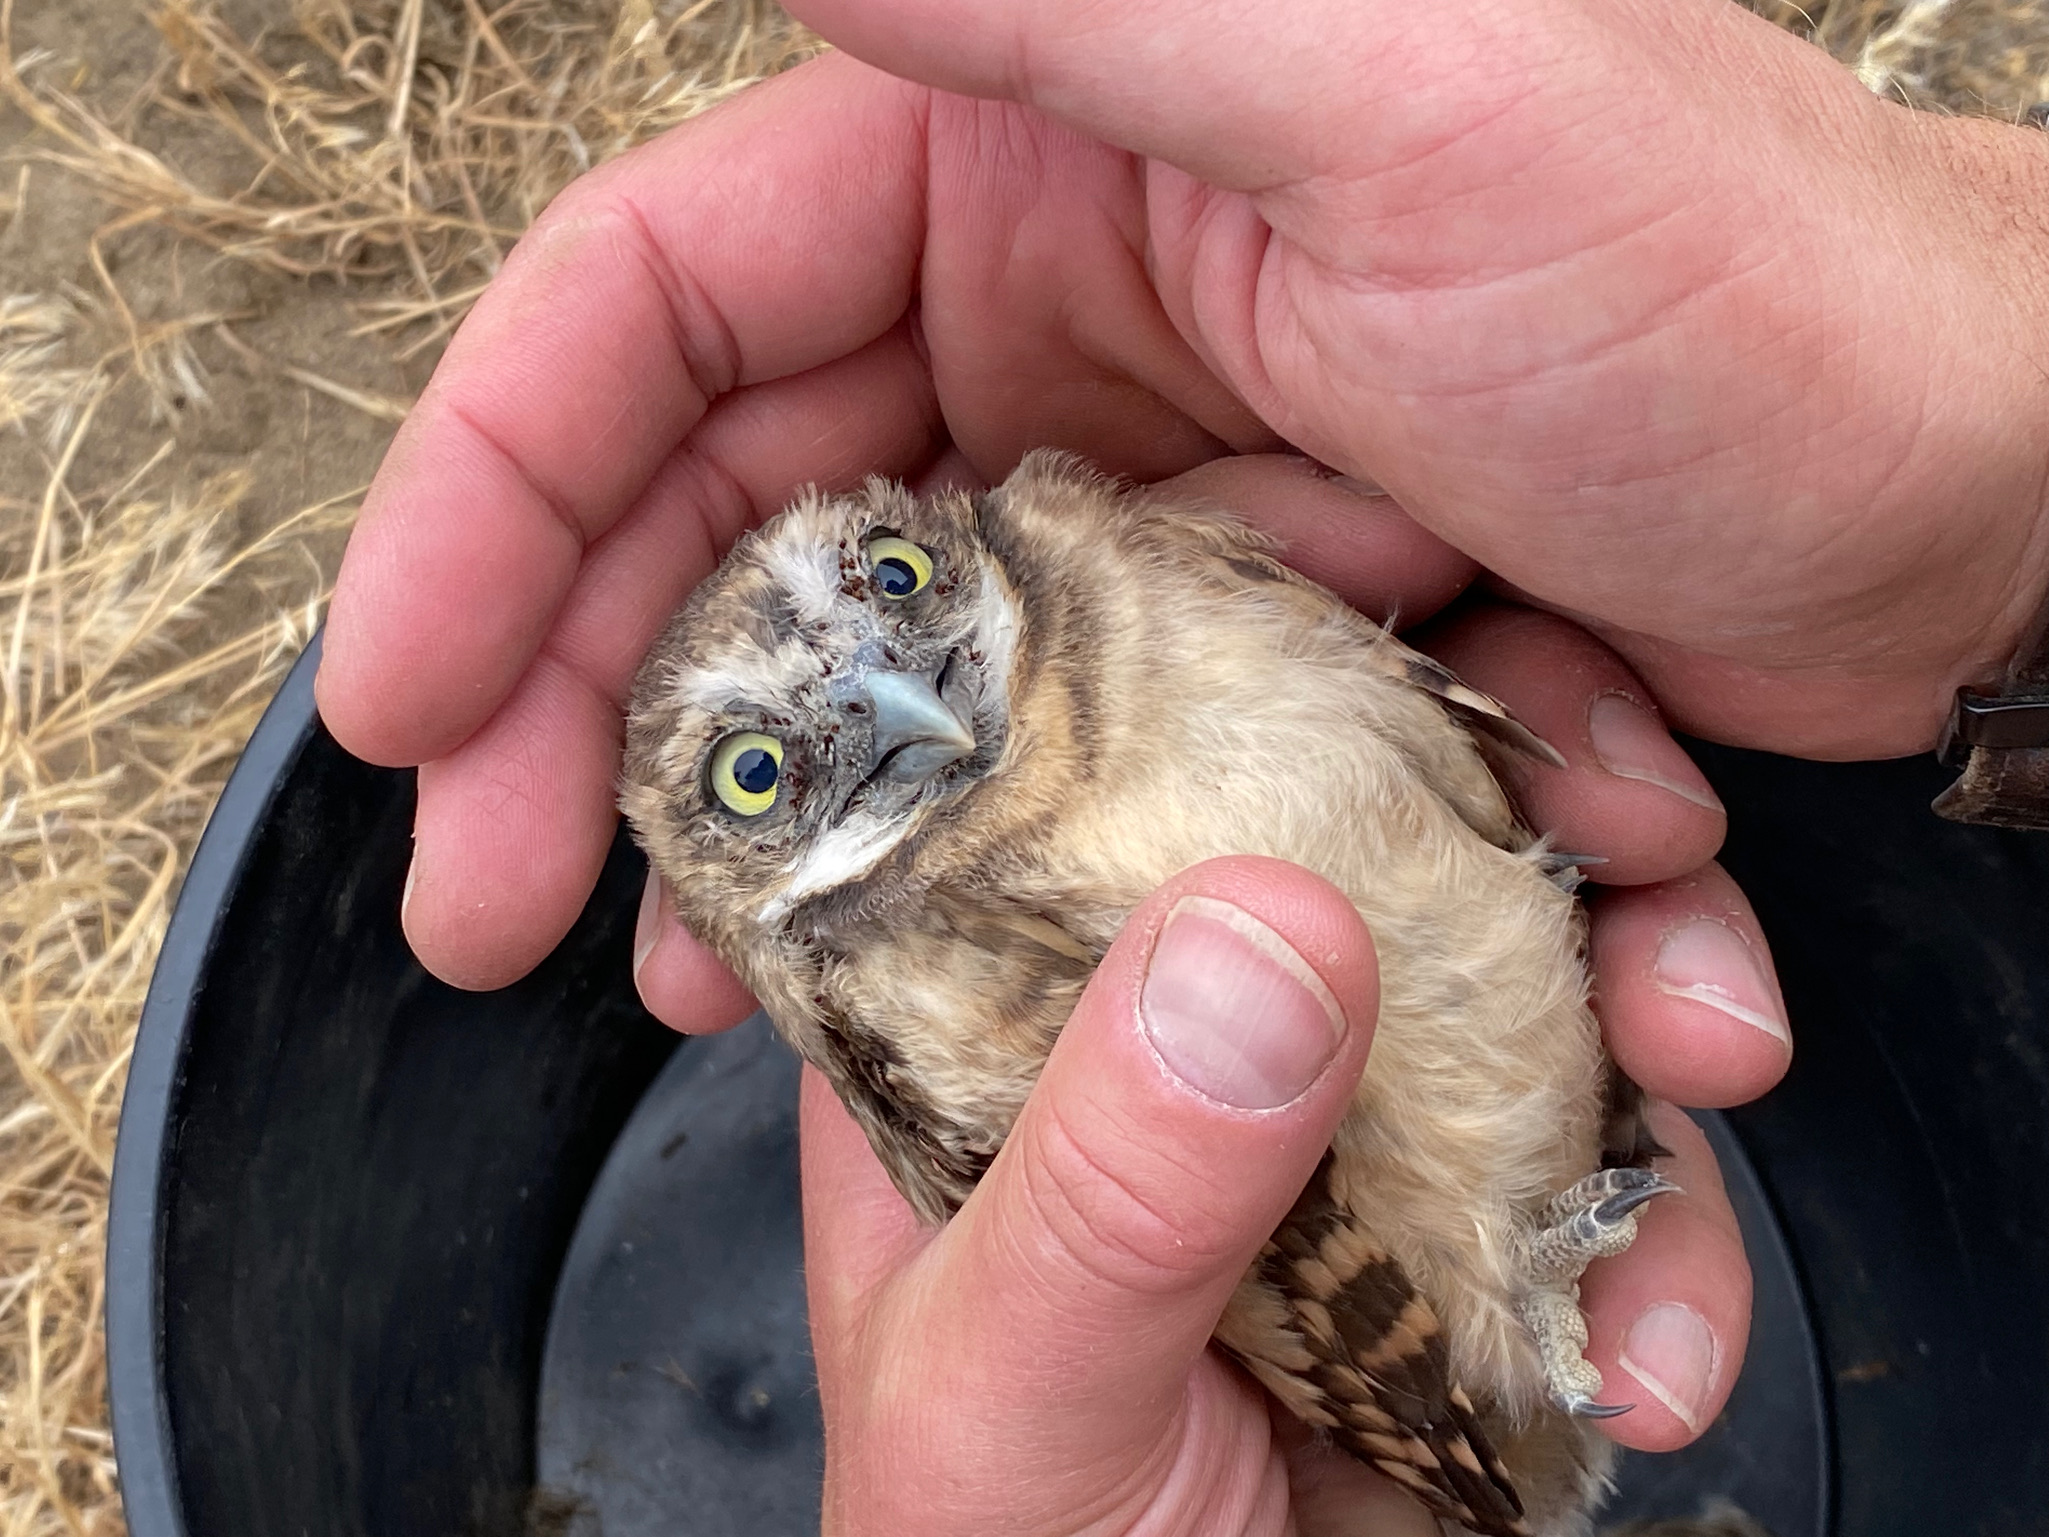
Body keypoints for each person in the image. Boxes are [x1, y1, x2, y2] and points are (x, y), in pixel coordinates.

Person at [314, 0, 2049, 1529]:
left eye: (890, 582)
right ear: (731, 872)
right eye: (762, 776)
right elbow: (1327, 1283)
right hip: (1464, 1247)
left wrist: (1998, 531)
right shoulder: (916, 966)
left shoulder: (1084, 538)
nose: (889, 694)